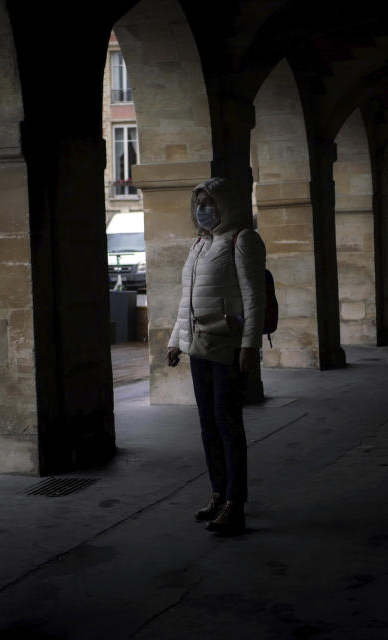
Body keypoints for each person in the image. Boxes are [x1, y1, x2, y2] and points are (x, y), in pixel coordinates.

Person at [166, 177, 266, 535]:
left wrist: (249, 345)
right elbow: (186, 299)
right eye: (199, 204)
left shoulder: (243, 240)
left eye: (209, 203)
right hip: (199, 346)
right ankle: (218, 494)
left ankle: (235, 503)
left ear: (226, 205)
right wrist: (175, 340)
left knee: (227, 425)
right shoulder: (199, 245)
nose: (203, 210)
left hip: (227, 345)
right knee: (208, 425)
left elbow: (254, 298)